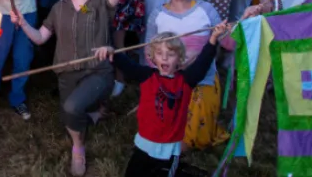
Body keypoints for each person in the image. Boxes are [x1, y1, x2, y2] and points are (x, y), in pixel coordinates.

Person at [14, 0, 151, 175]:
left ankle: (79, 147)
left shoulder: (101, 3)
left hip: (97, 71)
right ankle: (96, 114)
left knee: (71, 109)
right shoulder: (58, 8)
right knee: (68, 117)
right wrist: (22, 23)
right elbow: (41, 38)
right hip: (66, 73)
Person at [95, 22, 228, 177]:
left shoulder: (186, 81)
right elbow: (127, 65)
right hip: (144, 146)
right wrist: (113, 53)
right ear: (152, 57)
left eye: (170, 54)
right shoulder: (147, 76)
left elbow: (202, 63)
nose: (164, 58)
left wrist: (213, 39)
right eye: (159, 53)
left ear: (179, 58)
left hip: (169, 150)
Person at [146, 0, 235, 150]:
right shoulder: (157, 15)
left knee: (190, 137)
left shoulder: (206, 10)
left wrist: (244, 22)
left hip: (202, 79)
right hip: (170, 81)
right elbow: (149, 55)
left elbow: (228, 42)